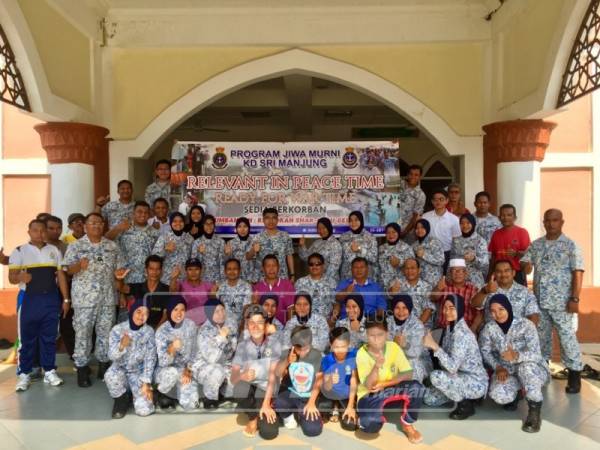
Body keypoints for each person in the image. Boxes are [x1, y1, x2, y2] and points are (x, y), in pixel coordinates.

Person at [520, 208, 584, 394]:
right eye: (547, 220)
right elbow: (526, 266)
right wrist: (526, 265)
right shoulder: (536, 245)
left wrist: (575, 298)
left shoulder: (570, 245)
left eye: (555, 220)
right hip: (540, 302)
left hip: (562, 303)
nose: (551, 224)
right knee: (541, 339)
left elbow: (577, 272)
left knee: (567, 338)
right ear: (543, 222)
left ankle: (574, 375)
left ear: (561, 222)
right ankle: (542, 372)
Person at [63, 213, 126, 387]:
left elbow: (119, 271)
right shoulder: (76, 246)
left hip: (107, 298)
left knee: (105, 333)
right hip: (84, 300)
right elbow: (67, 270)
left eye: (99, 223)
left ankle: (103, 367)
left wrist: (120, 279)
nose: (96, 226)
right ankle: (82, 369)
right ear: (85, 226)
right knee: (83, 333)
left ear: (103, 225)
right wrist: (78, 266)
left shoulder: (112, 246)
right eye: (92, 223)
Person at [9, 219, 70, 392]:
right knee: (26, 339)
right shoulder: (20, 251)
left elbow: (61, 276)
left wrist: (66, 299)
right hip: (28, 299)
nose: (39, 233)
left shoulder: (54, 250)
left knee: (49, 338)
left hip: (51, 300)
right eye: (35, 230)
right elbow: (11, 278)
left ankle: (49, 370)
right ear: (29, 232)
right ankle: (24, 374)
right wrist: (20, 278)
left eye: (42, 230)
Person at [479, 294, 548, 433]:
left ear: (508, 308)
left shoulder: (526, 325)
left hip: (532, 369)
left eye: (501, 309)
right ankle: (517, 393)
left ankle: (534, 412)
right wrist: (497, 367)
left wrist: (516, 356)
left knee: (526, 368)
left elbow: (536, 354)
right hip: (506, 370)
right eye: (493, 311)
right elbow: (485, 351)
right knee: (498, 394)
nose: (497, 314)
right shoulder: (489, 328)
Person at [356, 316, 423, 443]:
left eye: (380, 335)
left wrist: (386, 384)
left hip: (389, 390)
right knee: (369, 426)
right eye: (371, 335)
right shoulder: (361, 353)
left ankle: (407, 424)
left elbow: (408, 374)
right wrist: (376, 366)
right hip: (370, 395)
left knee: (416, 388)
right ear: (366, 335)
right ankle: (367, 416)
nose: (376, 340)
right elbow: (369, 386)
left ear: (387, 334)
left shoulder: (393, 347)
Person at [423, 294, 488, 420]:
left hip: (474, 380)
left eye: (452, 308)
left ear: (460, 309)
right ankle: (463, 395)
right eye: (445, 308)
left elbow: (452, 367)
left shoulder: (462, 333)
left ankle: (466, 405)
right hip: (458, 376)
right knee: (429, 399)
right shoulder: (450, 328)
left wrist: (434, 346)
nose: (447, 312)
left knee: (436, 376)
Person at [231, 304, 283, 438]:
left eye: (260, 323)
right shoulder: (242, 346)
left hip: (267, 390)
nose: (255, 327)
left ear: (266, 325)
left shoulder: (274, 344)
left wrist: (266, 404)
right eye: (251, 323)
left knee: (269, 433)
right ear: (247, 326)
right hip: (252, 388)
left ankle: (264, 407)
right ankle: (253, 418)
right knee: (239, 388)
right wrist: (243, 375)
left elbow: (273, 376)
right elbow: (233, 378)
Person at [105, 298, 157, 418]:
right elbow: (111, 356)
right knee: (110, 375)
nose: (141, 316)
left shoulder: (149, 332)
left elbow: (151, 358)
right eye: (138, 312)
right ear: (132, 311)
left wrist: (146, 383)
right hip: (121, 369)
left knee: (144, 411)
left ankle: (140, 394)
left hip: (138, 372)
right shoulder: (118, 329)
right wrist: (121, 345)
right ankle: (121, 399)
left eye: (145, 313)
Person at [272, 326, 324, 438]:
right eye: (298, 348)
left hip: (307, 396)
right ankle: (288, 415)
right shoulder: (287, 353)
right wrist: (287, 361)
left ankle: (302, 414)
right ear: (293, 344)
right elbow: (277, 373)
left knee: (313, 430)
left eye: (305, 348)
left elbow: (319, 380)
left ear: (310, 344)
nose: (302, 352)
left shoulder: (317, 355)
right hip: (289, 393)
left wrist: (311, 403)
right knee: (279, 402)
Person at [154, 296, 200, 411]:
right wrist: (172, 348)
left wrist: (188, 370)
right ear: (169, 311)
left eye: (182, 310)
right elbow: (163, 362)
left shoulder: (191, 326)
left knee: (191, 405)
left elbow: (196, 351)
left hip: (185, 370)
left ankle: (178, 390)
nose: (179, 313)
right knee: (172, 373)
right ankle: (161, 391)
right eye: (175, 309)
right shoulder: (162, 331)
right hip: (166, 371)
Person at [192, 298, 238, 409]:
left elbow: (233, 349)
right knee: (217, 372)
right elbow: (212, 359)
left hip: (225, 363)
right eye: (216, 312)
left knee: (239, 385)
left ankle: (222, 392)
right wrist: (221, 338)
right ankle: (209, 398)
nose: (221, 314)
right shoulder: (204, 331)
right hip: (204, 366)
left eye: (222, 310)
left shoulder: (231, 323)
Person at [106, 201, 160, 285]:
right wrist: (118, 228)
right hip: (126, 278)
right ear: (133, 213)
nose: (143, 215)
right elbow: (105, 240)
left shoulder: (155, 233)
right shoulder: (124, 228)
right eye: (139, 212)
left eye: (146, 212)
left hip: (147, 280)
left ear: (149, 215)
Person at [471, 260, 540, 325]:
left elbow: (533, 315)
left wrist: (526, 333)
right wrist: (484, 291)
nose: (503, 274)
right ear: (494, 274)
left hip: (518, 333)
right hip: (492, 332)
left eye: (506, 271)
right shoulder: (487, 288)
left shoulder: (525, 292)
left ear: (513, 273)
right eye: (499, 271)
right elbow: (474, 305)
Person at [115, 255, 173, 329]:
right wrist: (119, 279)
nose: (154, 272)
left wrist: (154, 332)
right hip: (138, 328)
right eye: (151, 269)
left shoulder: (167, 290)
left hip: (158, 329)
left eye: (157, 269)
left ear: (161, 271)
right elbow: (122, 288)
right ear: (146, 270)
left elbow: (166, 315)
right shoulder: (138, 287)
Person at [318, 327, 358, 430]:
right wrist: (330, 380)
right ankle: (334, 406)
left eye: (343, 346)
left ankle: (339, 408)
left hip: (347, 395)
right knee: (321, 414)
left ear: (348, 344)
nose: (340, 350)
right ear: (331, 346)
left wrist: (350, 406)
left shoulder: (353, 356)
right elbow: (326, 387)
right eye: (336, 347)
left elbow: (354, 381)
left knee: (350, 425)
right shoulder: (327, 360)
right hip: (330, 394)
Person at [387, 295, 432, 383]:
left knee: (411, 363)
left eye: (404, 308)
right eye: (397, 308)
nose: (401, 312)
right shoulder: (387, 322)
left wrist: (405, 345)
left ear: (409, 308)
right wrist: (393, 343)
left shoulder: (417, 325)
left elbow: (416, 353)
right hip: (395, 360)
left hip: (418, 362)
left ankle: (414, 390)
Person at [432, 259, 482, 332]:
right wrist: (438, 288)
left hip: (465, 330)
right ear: (450, 273)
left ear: (465, 273)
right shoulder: (444, 287)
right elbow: (433, 298)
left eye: (461, 271)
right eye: (454, 270)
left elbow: (480, 312)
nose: (457, 273)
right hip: (444, 328)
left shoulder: (473, 290)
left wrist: (473, 328)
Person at [487, 204, 531, 286]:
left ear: (515, 217)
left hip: (516, 274)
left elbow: (528, 255)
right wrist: (490, 274)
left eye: (509, 215)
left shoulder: (522, 232)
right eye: (503, 215)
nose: (506, 217)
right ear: (499, 218)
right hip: (499, 274)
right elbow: (493, 256)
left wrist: (516, 254)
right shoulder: (496, 234)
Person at [247, 208, 295, 280]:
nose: (271, 221)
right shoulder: (257, 237)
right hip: (262, 278)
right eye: (267, 218)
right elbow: (248, 257)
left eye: (274, 218)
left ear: (277, 220)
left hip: (281, 277)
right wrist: (253, 250)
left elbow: (289, 255)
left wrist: (292, 274)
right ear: (263, 220)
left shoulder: (285, 236)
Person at [421, 190, 461, 272]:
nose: (438, 202)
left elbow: (456, 240)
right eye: (435, 199)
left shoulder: (454, 219)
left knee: (446, 278)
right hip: (429, 253)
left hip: (447, 253)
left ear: (447, 200)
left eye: (441, 199)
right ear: (432, 201)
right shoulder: (425, 217)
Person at [389, 258, 436, 328]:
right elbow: (390, 296)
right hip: (401, 326)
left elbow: (428, 310)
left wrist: (416, 327)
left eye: (412, 268)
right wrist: (391, 292)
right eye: (407, 268)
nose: (409, 271)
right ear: (403, 270)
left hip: (421, 326)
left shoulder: (427, 287)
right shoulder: (397, 283)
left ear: (419, 270)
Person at [152, 212, 194, 286]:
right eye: (175, 221)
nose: (178, 223)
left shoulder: (189, 238)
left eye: (181, 221)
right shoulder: (164, 236)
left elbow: (192, 258)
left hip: (184, 279)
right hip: (167, 278)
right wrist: (165, 250)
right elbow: (154, 257)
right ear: (171, 223)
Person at [253, 254, 295, 324]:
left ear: (278, 267)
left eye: (274, 266)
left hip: (283, 329)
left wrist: (289, 329)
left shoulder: (287, 285)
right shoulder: (256, 288)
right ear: (263, 269)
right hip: (263, 328)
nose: (271, 269)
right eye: (268, 266)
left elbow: (291, 309)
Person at [450, 213, 489, 288]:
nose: (465, 226)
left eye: (468, 223)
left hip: (474, 282)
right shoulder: (456, 240)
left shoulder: (480, 241)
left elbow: (485, 264)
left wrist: (474, 259)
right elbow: (452, 261)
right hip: (458, 281)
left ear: (473, 224)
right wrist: (449, 279)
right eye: (462, 223)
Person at [298, 217, 342, 282]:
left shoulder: (335, 244)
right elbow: (305, 258)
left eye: (324, 227)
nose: (321, 230)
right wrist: (302, 246)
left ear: (329, 227)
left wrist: (322, 281)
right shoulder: (317, 242)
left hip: (329, 282)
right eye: (319, 228)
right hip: (315, 280)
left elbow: (334, 267)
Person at [294, 253, 337, 319]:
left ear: (323, 265)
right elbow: (294, 305)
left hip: (326, 324)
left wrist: (332, 320)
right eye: (311, 264)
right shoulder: (300, 282)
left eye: (318, 264)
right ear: (308, 266)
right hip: (304, 323)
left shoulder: (331, 283)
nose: (314, 267)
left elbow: (336, 304)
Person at [339, 211, 378, 281]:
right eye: (351, 220)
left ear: (361, 221)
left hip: (365, 279)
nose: (353, 223)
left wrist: (360, 249)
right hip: (347, 277)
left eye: (356, 220)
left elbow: (374, 258)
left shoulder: (370, 237)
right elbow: (340, 258)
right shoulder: (343, 237)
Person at [173, 258, 214, 326]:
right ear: (186, 271)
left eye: (196, 269)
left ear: (201, 270)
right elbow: (172, 292)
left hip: (203, 323)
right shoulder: (180, 285)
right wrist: (174, 278)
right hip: (185, 323)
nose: (193, 272)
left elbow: (213, 304)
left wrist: (213, 294)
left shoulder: (208, 286)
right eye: (190, 269)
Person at [214, 258, 253, 326]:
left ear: (239, 270)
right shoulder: (221, 288)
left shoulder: (246, 287)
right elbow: (217, 308)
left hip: (241, 324)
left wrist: (242, 325)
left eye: (235, 269)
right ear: (225, 271)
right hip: (224, 325)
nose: (232, 272)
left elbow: (247, 308)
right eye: (229, 269)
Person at [378, 222, 414, 290]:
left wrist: (400, 262)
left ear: (398, 233)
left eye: (394, 232)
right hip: (383, 286)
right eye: (388, 232)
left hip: (400, 287)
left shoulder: (406, 248)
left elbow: (412, 267)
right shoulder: (381, 248)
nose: (391, 235)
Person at [191, 214, 225, 283]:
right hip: (202, 280)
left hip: (217, 280)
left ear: (214, 225)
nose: (209, 226)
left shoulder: (221, 242)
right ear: (203, 225)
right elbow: (193, 263)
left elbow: (222, 263)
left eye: (211, 224)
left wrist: (222, 281)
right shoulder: (197, 242)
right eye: (206, 224)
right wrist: (200, 253)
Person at [396, 164, 426, 241]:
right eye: (411, 174)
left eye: (416, 175)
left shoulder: (420, 195)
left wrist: (405, 232)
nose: (413, 176)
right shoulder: (399, 183)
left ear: (420, 177)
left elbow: (415, 216)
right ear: (407, 174)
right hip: (392, 228)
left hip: (407, 232)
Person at [412, 219, 445, 287]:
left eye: (422, 227)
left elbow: (441, 260)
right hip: (420, 280)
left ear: (427, 228)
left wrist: (424, 255)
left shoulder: (434, 242)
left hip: (433, 280)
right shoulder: (414, 245)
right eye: (417, 228)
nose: (419, 230)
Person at [225, 217, 259, 283]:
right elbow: (227, 263)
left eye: (245, 226)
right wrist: (227, 254)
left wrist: (255, 280)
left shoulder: (254, 242)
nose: (242, 229)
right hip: (235, 280)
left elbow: (258, 263)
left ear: (249, 228)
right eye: (239, 226)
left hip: (251, 280)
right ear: (236, 229)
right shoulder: (230, 243)